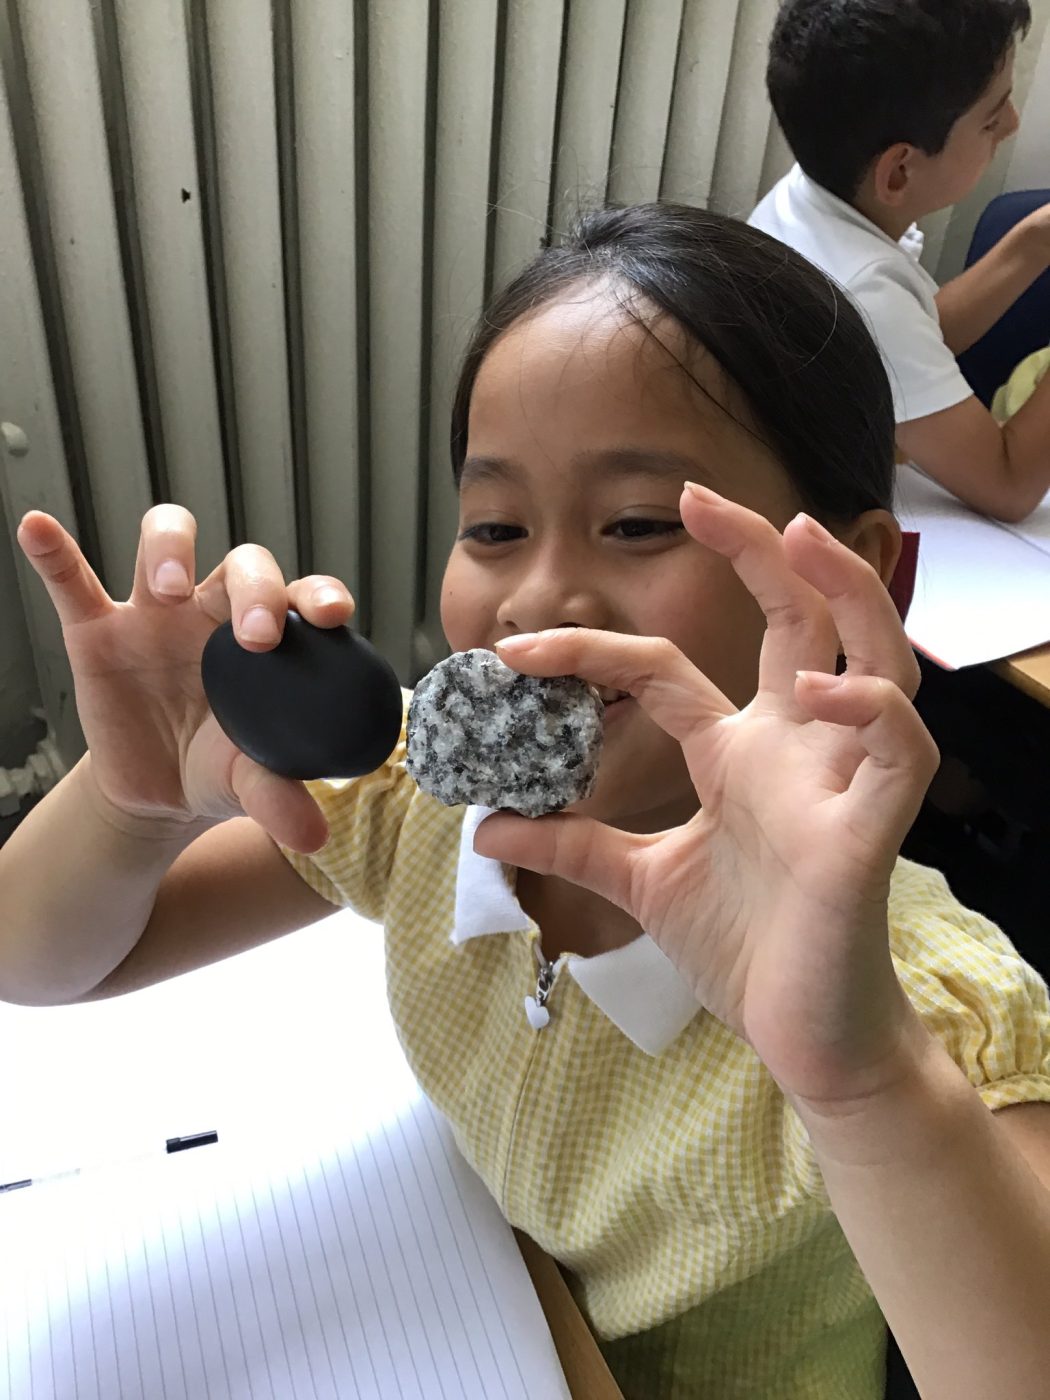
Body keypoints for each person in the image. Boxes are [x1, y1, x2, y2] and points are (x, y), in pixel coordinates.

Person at [3, 205, 1050, 1400]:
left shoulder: (916, 993)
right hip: (467, 1295)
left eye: (639, 524)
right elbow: (41, 960)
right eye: (495, 527)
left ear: (851, 572)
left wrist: (863, 1081)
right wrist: (133, 803)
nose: (538, 595)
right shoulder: (413, 798)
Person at [749, 0, 1050, 524]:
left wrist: (1034, 241)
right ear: (898, 173)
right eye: (991, 119)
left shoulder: (810, 194)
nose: (1012, 125)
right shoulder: (863, 293)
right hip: (835, 522)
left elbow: (911, 340)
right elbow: (1008, 486)